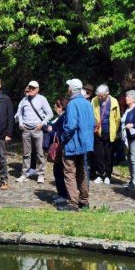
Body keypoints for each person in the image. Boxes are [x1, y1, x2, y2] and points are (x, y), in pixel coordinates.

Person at [58, 78, 95, 212]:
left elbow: (71, 126)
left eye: (68, 87)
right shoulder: (87, 103)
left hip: (73, 143)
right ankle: (84, 201)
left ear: (72, 89)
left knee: (69, 172)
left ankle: (72, 203)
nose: (67, 89)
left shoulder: (72, 104)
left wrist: (63, 138)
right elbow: (93, 123)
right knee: (82, 171)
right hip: (85, 143)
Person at [14, 81, 53, 184]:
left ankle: (41, 174)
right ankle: (25, 174)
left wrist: (42, 123)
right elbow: (19, 114)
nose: (31, 89)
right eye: (30, 87)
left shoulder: (42, 99)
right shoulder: (24, 100)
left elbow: (50, 113)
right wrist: (21, 124)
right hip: (26, 130)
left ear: (37, 89)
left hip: (37, 130)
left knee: (40, 153)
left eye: (33, 88)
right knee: (26, 153)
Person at [91, 84, 121, 185]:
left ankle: (108, 175)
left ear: (107, 94)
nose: (100, 97)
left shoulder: (114, 101)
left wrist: (115, 131)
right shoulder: (94, 100)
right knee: (98, 154)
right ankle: (99, 174)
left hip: (109, 131)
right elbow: (91, 114)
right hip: (97, 131)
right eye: (99, 95)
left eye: (102, 95)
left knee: (109, 154)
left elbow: (117, 118)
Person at [47, 98, 70, 205]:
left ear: (60, 107)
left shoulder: (64, 117)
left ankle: (63, 195)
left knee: (60, 172)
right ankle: (61, 193)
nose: (55, 108)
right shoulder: (62, 117)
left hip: (62, 148)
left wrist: (51, 132)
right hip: (62, 148)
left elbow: (60, 133)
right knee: (57, 171)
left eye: (56, 106)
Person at [121, 90, 135, 190]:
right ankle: (131, 180)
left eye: (128, 96)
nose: (126, 98)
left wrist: (133, 125)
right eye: (126, 96)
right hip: (127, 137)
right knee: (128, 158)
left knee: (134, 157)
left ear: (134, 99)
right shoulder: (127, 109)